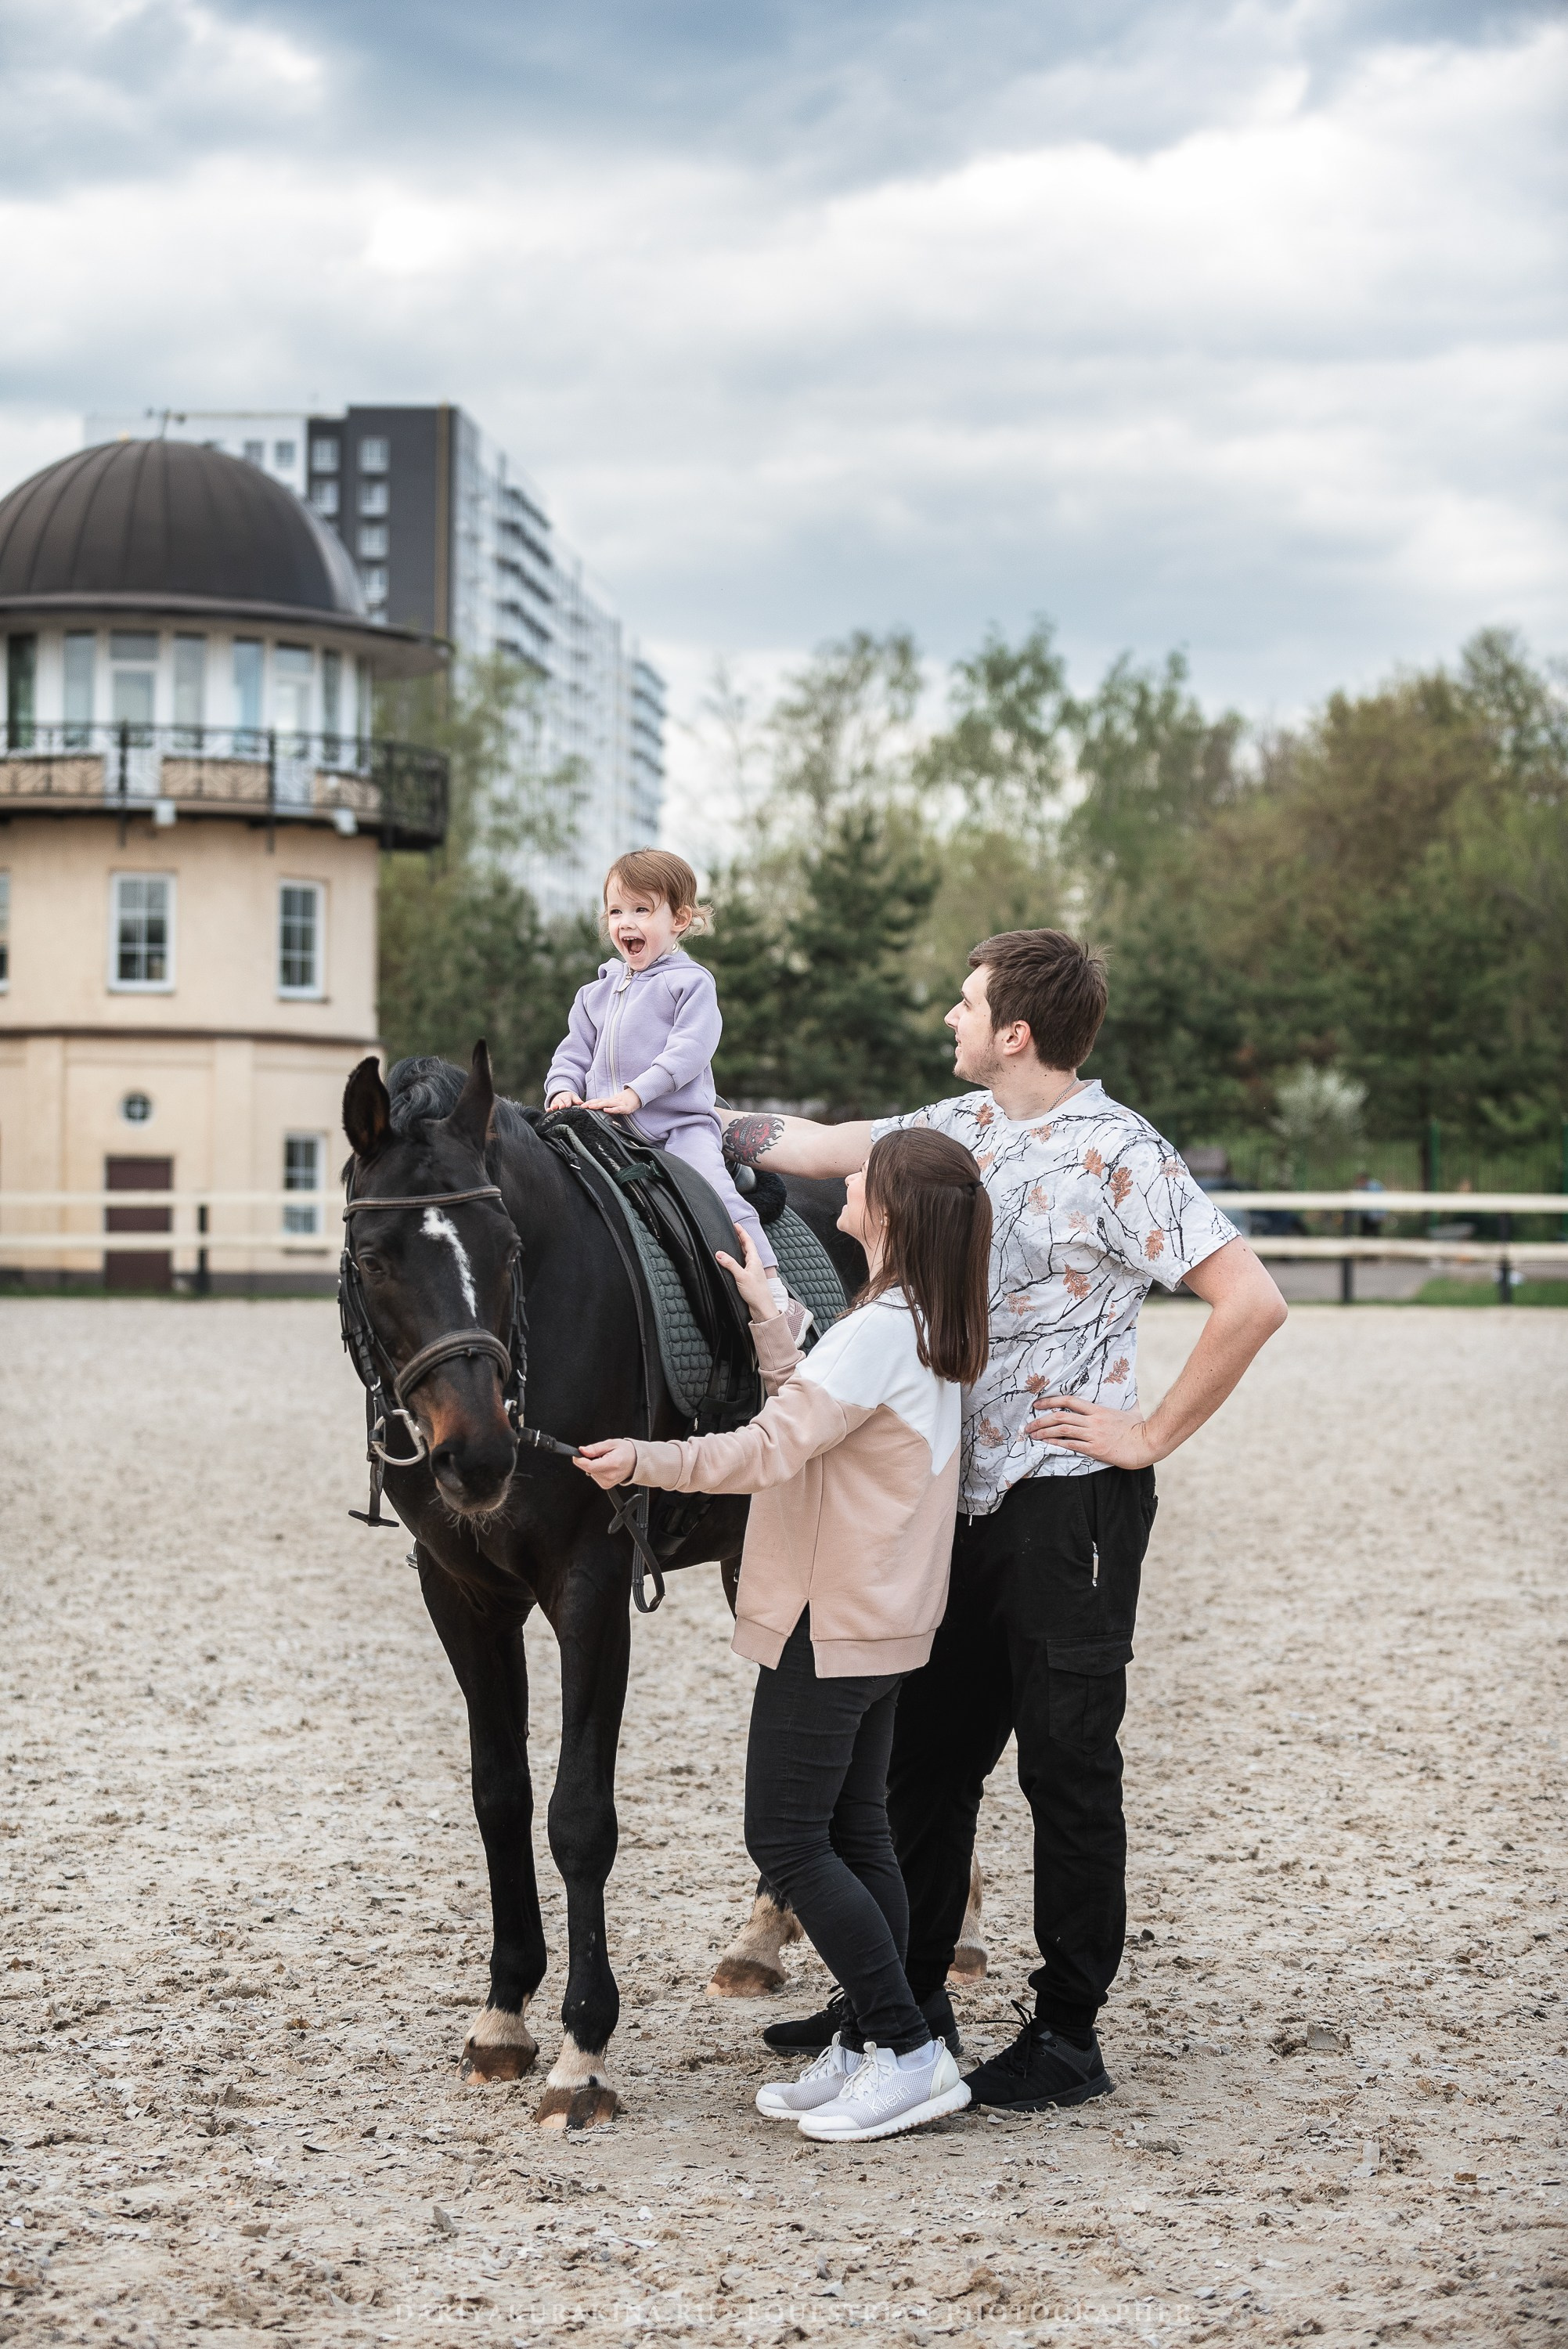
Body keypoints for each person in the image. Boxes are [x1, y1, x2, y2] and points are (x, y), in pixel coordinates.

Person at [723, 928, 1288, 2111]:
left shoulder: (1118, 1152)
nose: (949, 1016)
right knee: (922, 1766)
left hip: (1066, 1505)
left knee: (1065, 1769)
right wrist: (686, 1116)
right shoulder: (959, 1127)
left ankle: (1068, 2030)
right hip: (954, 1503)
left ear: (1014, 1031)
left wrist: (1145, 1434)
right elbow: (822, 1147)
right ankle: (901, 2003)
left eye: (965, 1003)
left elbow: (1249, 1300)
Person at [575, 1128, 993, 2144]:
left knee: (787, 1838)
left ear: (886, 1211)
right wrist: (774, 1325)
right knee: (856, 1835)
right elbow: (815, 1416)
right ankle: (871, 2039)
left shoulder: (878, 1330)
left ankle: (904, 2049)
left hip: (827, 1620)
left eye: (862, 1175)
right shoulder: (916, 1320)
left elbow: (768, 1451)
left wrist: (640, 1458)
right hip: (881, 1619)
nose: (844, 1182)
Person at [545, 848, 806, 1335]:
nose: (627, 923)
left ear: (680, 919)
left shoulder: (691, 984)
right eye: (617, 911)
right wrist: (561, 1089)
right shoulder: (593, 995)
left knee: (715, 1190)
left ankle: (774, 1291)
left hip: (678, 1128)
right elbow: (572, 1054)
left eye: (642, 910)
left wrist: (637, 1093)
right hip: (606, 1129)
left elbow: (689, 1051)